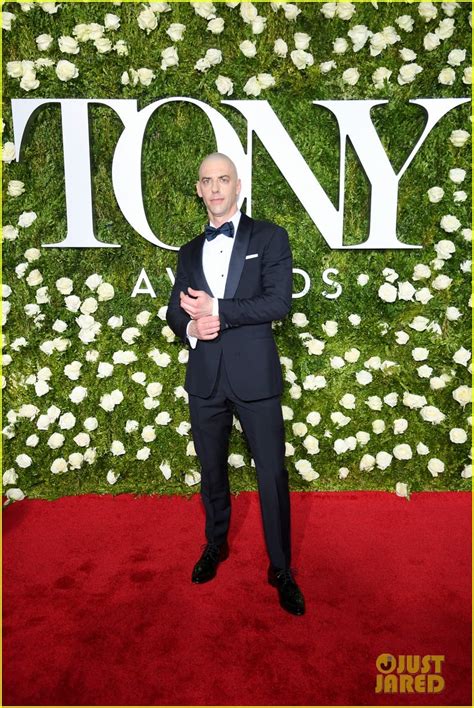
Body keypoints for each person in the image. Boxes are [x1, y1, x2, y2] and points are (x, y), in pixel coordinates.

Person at [166, 152, 305, 616]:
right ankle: (215, 545)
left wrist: (218, 312)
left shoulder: (269, 237)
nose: (216, 188)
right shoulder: (187, 251)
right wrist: (191, 329)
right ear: (200, 190)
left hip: (255, 377)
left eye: (223, 179)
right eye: (207, 181)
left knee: (271, 474)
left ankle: (281, 568)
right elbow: (173, 312)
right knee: (211, 473)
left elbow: (277, 302)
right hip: (205, 378)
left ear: (237, 185)